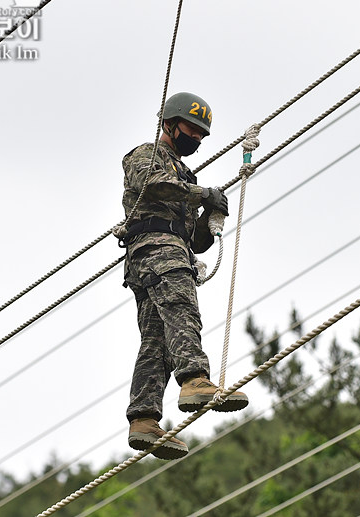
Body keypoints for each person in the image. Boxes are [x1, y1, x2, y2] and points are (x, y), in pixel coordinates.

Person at [117, 92, 249, 460]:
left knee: (156, 342)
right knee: (181, 311)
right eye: (192, 130)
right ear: (170, 124)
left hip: (165, 252)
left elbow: (196, 242)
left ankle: (143, 418)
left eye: (202, 135)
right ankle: (194, 380)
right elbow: (150, 184)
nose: (197, 139)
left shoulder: (184, 175)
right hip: (157, 251)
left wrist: (211, 215)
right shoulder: (147, 155)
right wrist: (201, 193)